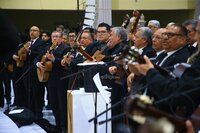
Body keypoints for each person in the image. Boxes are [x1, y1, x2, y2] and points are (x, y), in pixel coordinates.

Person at [128, 21, 200, 117]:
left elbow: (171, 87)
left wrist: (148, 71)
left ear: (182, 40)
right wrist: (138, 73)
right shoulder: (163, 54)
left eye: (170, 35)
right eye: (165, 34)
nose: (164, 38)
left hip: (163, 111)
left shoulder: (182, 58)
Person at [37, 31, 70, 133]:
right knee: (54, 105)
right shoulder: (48, 48)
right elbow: (38, 59)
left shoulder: (65, 48)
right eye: (53, 37)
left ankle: (64, 128)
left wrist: (54, 59)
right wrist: (38, 64)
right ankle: (57, 126)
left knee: (62, 106)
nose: (55, 38)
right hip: (50, 80)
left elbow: (65, 63)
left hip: (61, 80)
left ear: (61, 38)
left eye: (57, 37)